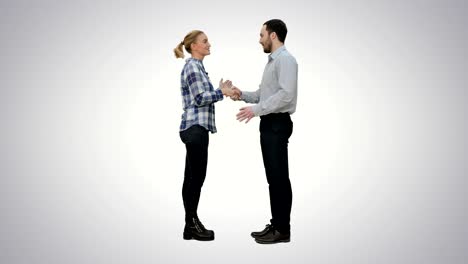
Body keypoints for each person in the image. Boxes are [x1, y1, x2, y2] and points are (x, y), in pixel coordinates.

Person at [233, 19, 298, 244]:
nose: (259, 39)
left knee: (279, 178)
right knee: (274, 179)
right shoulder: (272, 62)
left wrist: (256, 110)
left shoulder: (286, 60)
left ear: (273, 36)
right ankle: (277, 223)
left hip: (277, 123)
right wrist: (241, 94)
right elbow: (265, 93)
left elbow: (285, 95)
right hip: (269, 123)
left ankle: (283, 230)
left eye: (262, 35)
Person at [174, 30, 236, 241]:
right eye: (205, 41)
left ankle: (188, 225)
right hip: (195, 128)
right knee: (196, 178)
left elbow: (202, 95)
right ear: (194, 46)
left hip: (196, 128)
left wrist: (219, 90)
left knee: (191, 177)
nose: (209, 44)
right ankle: (192, 223)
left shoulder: (199, 67)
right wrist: (222, 92)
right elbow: (200, 98)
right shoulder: (192, 66)